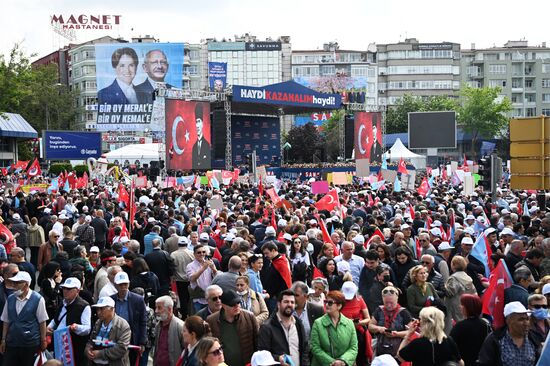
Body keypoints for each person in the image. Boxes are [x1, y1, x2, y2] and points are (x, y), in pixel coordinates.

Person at [0, 271, 48, 365]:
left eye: (17, 283)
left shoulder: (38, 299)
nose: (14, 285)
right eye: (13, 283)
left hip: (30, 344)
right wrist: (3, 339)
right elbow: (6, 321)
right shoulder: (10, 298)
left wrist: (43, 340)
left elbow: (42, 321)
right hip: (12, 342)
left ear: (26, 284)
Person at [477, 301, 541, 366]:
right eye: (521, 319)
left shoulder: (535, 339)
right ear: (509, 321)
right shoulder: (495, 339)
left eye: (527, 319)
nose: (526, 323)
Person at [207, 289, 258, 366]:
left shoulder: (249, 317)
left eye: (238, 302)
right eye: (233, 304)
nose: (237, 306)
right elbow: (208, 345)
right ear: (223, 305)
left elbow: (257, 341)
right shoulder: (211, 320)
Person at [258, 289, 309, 366]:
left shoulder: (298, 324)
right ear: (278, 304)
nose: (289, 304)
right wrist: (278, 358)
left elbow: (305, 349)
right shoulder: (267, 327)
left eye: (292, 302)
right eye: (286, 302)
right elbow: (262, 355)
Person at [47, 277, 91, 366]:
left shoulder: (84, 306)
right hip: (59, 343)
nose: (65, 291)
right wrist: (49, 327)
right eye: (64, 288)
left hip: (74, 346)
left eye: (69, 289)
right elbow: (56, 320)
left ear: (77, 291)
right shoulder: (62, 303)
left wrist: (76, 327)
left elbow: (87, 328)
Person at [398, 306, 463, 366]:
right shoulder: (448, 341)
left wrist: (408, 335)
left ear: (424, 323)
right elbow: (461, 363)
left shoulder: (417, 344)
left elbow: (400, 357)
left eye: (420, 319)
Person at [310, 290, 358, 366]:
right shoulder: (318, 323)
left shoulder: (349, 323)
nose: (327, 305)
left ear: (339, 306)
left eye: (330, 303)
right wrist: (333, 363)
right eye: (326, 301)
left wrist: (343, 361)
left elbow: (353, 348)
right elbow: (315, 347)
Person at [111, 271, 148, 366]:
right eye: (120, 285)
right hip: (115, 339)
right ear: (115, 285)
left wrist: (142, 342)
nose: (123, 287)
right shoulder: (111, 300)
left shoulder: (138, 300)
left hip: (132, 339)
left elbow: (143, 321)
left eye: (125, 284)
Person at [369, 286, 412, 359]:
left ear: (397, 299)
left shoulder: (404, 313)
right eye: (386, 303)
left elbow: (411, 332)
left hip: (398, 353)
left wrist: (396, 334)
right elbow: (370, 326)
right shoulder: (379, 310)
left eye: (391, 303)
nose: (389, 305)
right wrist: (379, 329)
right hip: (381, 351)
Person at [86, 296, 132, 366]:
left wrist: (100, 354)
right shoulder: (98, 323)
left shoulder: (123, 325)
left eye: (102, 309)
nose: (98, 312)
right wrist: (88, 349)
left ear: (111, 309)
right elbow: (91, 340)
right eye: (98, 309)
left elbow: (121, 348)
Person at [449, 294, 492, 366]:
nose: (460, 307)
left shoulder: (459, 326)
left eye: (462, 305)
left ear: (467, 308)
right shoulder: (485, 324)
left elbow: (451, 346)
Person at [341, 281, 372, 366]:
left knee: (360, 357)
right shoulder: (339, 301)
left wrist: (358, 323)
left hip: (358, 332)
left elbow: (368, 319)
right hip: (342, 332)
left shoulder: (360, 300)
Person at [444, 255, 476, 333]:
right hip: (465, 308)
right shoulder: (468, 278)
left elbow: (450, 292)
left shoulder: (453, 278)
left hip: (453, 309)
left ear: (453, 265)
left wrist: (442, 287)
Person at [153, 295, 185, 366]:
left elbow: (187, 350)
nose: (156, 311)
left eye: (159, 308)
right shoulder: (158, 326)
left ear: (170, 309)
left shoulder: (180, 326)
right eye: (156, 308)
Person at [187, 244, 218, 313]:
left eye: (203, 252)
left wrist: (214, 269)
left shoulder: (210, 262)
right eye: (199, 252)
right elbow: (192, 279)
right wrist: (203, 268)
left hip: (210, 298)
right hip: (198, 298)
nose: (202, 254)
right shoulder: (190, 266)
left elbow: (216, 277)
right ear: (194, 254)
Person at [171, 236, 195, 318]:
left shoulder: (174, 254)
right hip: (190, 279)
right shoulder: (192, 253)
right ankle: (189, 312)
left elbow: (172, 268)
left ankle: (184, 314)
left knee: (182, 297)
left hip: (179, 280)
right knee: (189, 297)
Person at [192, 103, 211, 170]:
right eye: (196, 122)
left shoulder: (207, 145)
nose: (197, 125)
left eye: (199, 121)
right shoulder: (194, 147)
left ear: (202, 123)